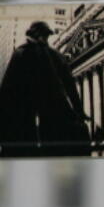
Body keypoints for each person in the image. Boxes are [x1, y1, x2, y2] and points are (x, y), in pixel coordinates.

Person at [0, 21, 93, 156]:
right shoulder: (57, 56)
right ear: (46, 36)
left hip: (25, 121)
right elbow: (71, 89)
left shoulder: (20, 53)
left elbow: (7, 91)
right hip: (55, 118)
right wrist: (79, 112)